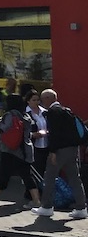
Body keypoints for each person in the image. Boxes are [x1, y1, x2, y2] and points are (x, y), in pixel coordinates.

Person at [31, 89, 88, 219]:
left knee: (49, 177)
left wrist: (53, 151)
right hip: (73, 149)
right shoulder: (66, 111)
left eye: (42, 99)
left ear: (48, 98)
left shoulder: (53, 112)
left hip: (60, 150)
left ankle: (46, 207)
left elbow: (55, 134)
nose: (41, 103)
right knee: (75, 178)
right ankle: (81, 207)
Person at [0, 94, 40, 208]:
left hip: (10, 149)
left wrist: (0, 121)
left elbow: (4, 128)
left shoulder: (9, 115)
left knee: (4, 173)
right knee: (26, 175)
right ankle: (36, 200)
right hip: (25, 149)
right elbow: (28, 133)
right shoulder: (26, 115)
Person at [25, 88, 49, 180]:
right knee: (35, 169)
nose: (36, 102)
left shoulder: (45, 112)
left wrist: (47, 132)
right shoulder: (26, 114)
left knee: (44, 168)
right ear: (28, 101)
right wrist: (33, 134)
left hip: (46, 144)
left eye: (38, 100)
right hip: (33, 145)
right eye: (33, 100)